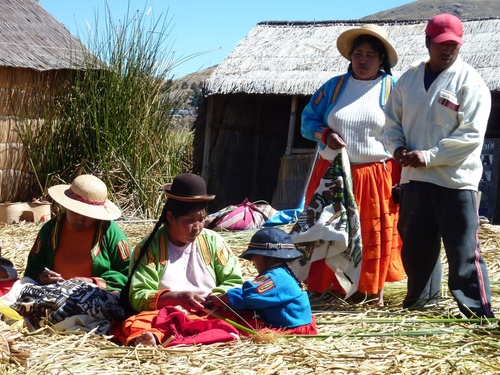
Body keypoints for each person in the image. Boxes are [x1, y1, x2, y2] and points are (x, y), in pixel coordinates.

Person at [380, 14, 494, 318]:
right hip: (414, 179)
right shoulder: (409, 79)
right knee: (416, 249)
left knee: (463, 253)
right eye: (442, 44)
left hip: (455, 181)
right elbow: (391, 122)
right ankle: (420, 304)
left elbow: (470, 136)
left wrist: (429, 155)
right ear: (428, 42)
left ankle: (478, 314)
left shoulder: (470, 82)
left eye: (454, 45)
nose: (448, 51)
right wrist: (398, 148)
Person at [300, 24, 404, 305]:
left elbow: (406, 128)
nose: (363, 59)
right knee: (325, 229)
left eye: (370, 54)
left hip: (373, 175)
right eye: (358, 53)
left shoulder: (393, 90)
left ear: (381, 59)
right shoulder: (334, 88)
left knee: (370, 234)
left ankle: (369, 292)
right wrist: (326, 135)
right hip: (331, 174)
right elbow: (307, 122)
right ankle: (324, 286)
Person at [112, 173, 244, 345]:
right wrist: (177, 297)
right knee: (136, 323)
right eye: (190, 221)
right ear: (170, 217)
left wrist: (214, 299)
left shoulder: (213, 241)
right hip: (166, 315)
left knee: (244, 315)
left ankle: (168, 336)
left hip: (209, 312)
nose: (197, 228)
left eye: (202, 219)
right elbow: (138, 295)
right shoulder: (150, 248)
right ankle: (173, 335)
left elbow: (234, 281)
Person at [24, 174, 131, 290]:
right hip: (53, 293)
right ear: (67, 207)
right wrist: (42, 278)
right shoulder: (51, 229)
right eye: (76, 211)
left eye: (88, 214)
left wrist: (92, 281)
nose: (80, 219)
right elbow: (32, 270)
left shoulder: (110, 232)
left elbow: (128, 273)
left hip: (96, 297)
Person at [210, 227, 317, 335]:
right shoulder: (283, 272)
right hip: (292, 322)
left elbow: (248, 297)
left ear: (266, 257)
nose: (253, 262)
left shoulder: (275, 278)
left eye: (254, 257)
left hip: (290, 328)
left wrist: (218, 299)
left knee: (233, 319)